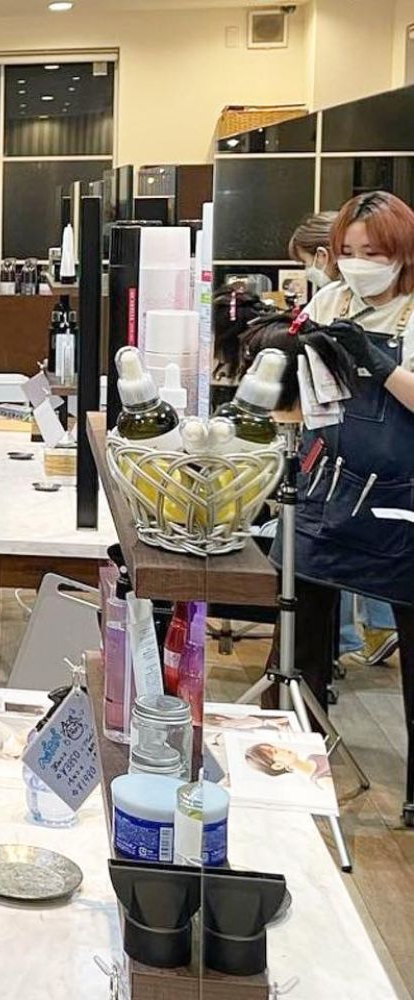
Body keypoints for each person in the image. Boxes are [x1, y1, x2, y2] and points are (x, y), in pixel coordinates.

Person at [285, 190, 414, 818]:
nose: (359, 264)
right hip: (328, 485)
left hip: (402, 497)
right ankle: (294, 763)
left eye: (374, 253)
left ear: (403, 254)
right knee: (302, 636)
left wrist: (374, 361)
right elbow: (305, 392)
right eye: (349, 252)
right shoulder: (331, 300)